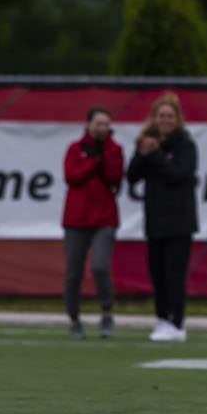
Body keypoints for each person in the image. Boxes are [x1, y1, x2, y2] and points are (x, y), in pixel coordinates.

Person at [128, 92, 199, 343]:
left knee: (174, 275)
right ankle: (161, 319)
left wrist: (156, 155)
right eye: (161, 116)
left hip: (180, 222)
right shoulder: (147, 143)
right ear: (154, 119)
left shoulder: (185, 145)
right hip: (155, 221)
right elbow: (132, 176)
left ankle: (176, 323)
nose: (165, 120)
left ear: (177, 118)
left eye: (170, 116)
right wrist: (142, 154)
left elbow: (179, 175)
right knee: (157, 274)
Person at [62, 107, 125, 339]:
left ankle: (106, 313)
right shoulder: (75, 149)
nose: (102, 128)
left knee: (99, 266)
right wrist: (92, 161)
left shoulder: (115, 150)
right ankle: (74, 319)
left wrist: (103, 155)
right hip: (76, 220)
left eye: (106, 124)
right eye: (98, 123)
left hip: (104, 219)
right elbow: (72, 177)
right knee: (73, 272)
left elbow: (115, 177)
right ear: (88, 124)